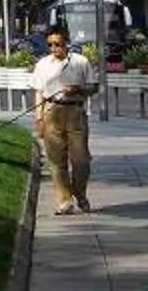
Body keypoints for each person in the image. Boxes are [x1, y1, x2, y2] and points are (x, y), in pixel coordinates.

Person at [31, 22, 96, 214]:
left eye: (58, 44)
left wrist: (79, 89)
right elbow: (39, 93)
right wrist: (39, 119)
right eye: (50, 45)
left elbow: (93, 87)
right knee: (56, 161)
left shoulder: (81, 62)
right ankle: (64, 201)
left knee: (81, 160)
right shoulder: (43, 65)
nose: (54, 49)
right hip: (52, 111)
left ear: (66, 42)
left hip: (75, 112)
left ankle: (80, 193)